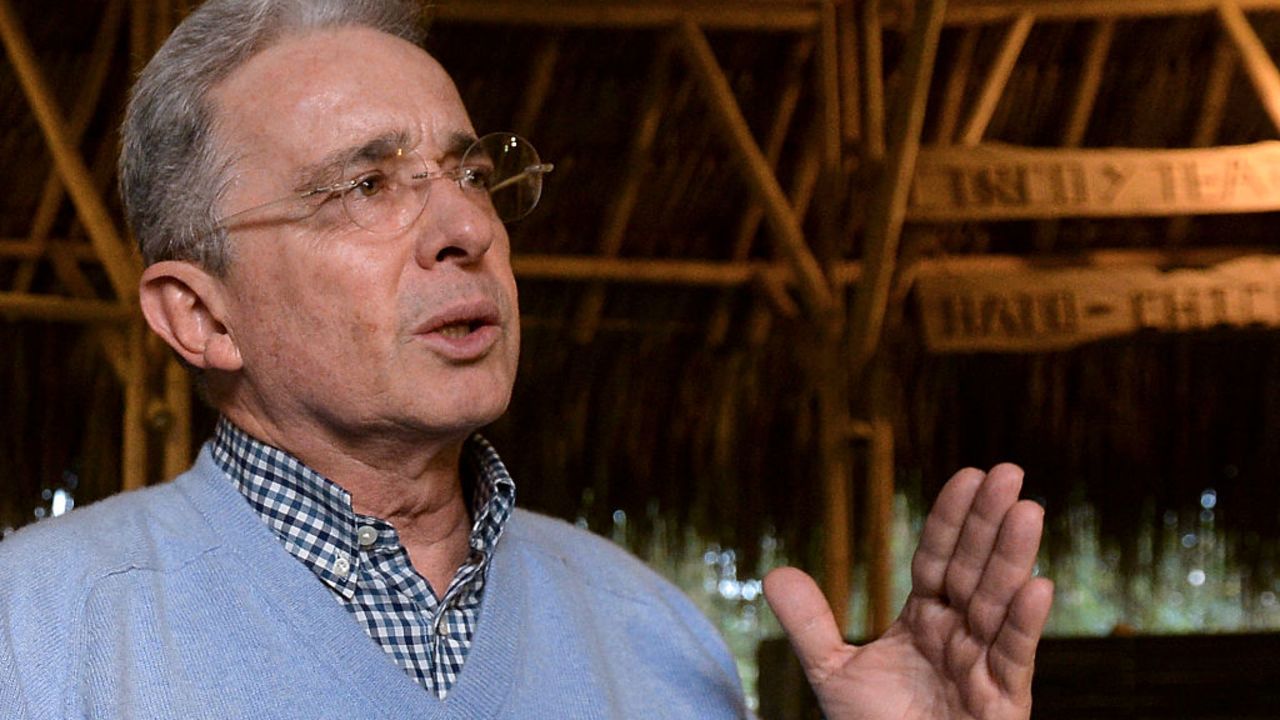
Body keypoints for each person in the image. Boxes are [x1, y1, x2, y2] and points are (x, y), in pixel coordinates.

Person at [0, 0, 1053, 717]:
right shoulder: (39, 636)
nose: (466, 227)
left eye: (466, 172)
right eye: (364, 186)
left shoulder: (653, 637)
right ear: (200, 317)